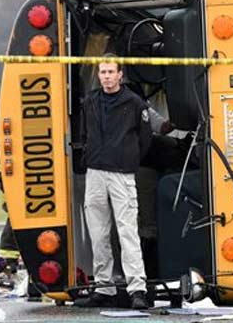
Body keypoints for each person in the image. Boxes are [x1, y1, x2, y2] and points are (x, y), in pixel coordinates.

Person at [74, 61, 154, 309]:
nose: (106, 77)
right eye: (103, 72)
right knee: (98, 234)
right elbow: (83, 135)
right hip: (95, 172)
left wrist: (128, 158)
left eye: (111, 72)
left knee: (127, 232)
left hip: (122, 174)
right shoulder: (90, 101)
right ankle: (103, 288)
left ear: (120, 75)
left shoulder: (134, 103)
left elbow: (145, 139)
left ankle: (137, 289)